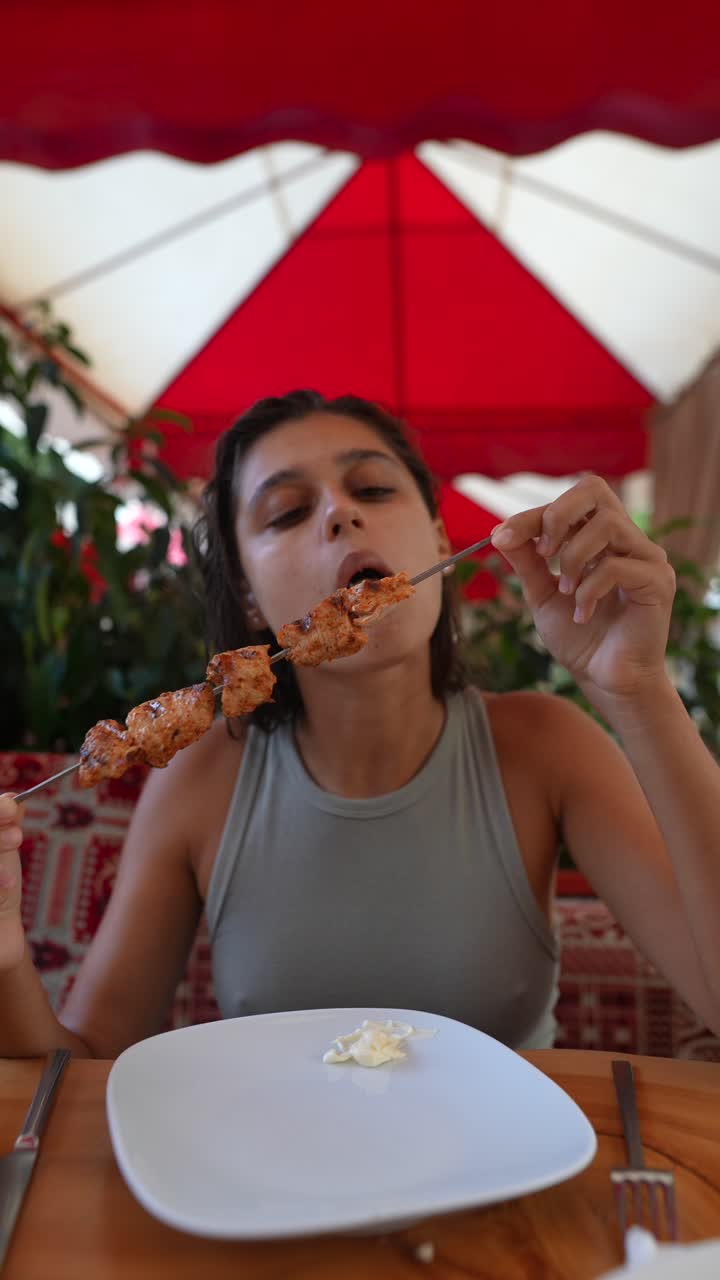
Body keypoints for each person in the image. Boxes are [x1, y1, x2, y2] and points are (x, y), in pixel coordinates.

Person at [1, 390, 719, 1058]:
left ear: (440, 541)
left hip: (507, 1181)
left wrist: (639, 687)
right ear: (249, 599)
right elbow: (81, 1069)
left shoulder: (544, 747)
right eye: (285, 511)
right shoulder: (203, 776)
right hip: (276, 1184)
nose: (340, 514)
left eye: (373, 489)